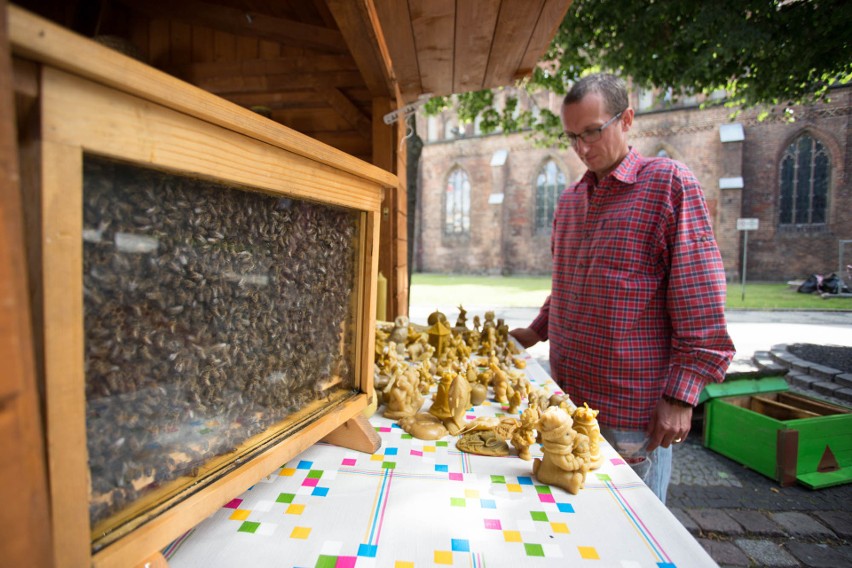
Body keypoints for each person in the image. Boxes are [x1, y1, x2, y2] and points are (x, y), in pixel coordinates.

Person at [510, 73, 735, 503]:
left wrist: (681, 396)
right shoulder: (570, 202)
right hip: (567, 402)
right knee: (571, 521)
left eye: (593, 131)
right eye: (573, 136)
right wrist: (537, 330)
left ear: (627, 119)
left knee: (630, 526)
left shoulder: (668, 184)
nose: (582, 147)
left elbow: (700, 298)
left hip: (631, 412)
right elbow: (572, 285)